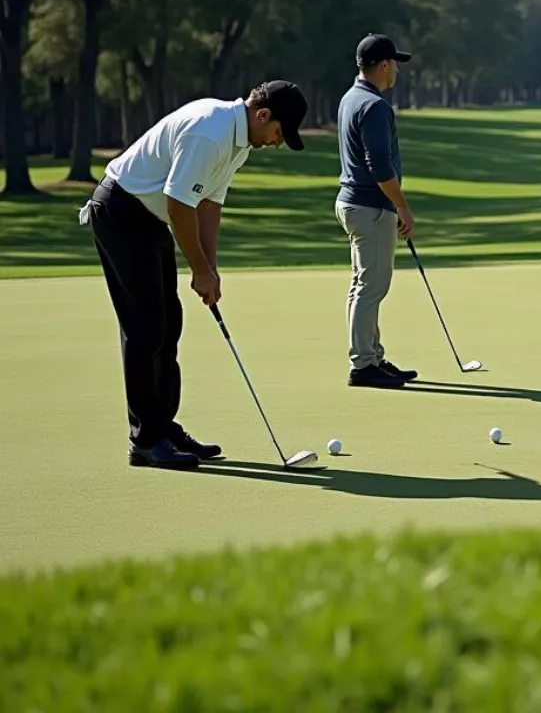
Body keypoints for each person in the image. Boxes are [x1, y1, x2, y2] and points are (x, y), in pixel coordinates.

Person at [81, 80, 309, 469]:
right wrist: (199, 269)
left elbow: (208, 205)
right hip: (121, 212)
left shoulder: (238, 143)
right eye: (278, 132)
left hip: (148, 217)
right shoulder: (210, 131)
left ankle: (162, 427)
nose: (277, 141)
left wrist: (210, 268)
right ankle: (146, 440)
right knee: (146, 328)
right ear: (263, 114)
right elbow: (179, 204)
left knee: (169, 323)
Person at [335, 33, 420, 390]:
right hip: (371, 207)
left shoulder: (351, 98)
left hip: (354, 203)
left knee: (364, 285)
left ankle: (373, 356)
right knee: (371, 287)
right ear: (384, 65)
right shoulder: (374, 106)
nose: (397, 71)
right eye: (395, 64)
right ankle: (363, 364)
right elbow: (379, 165)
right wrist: (402, 206)